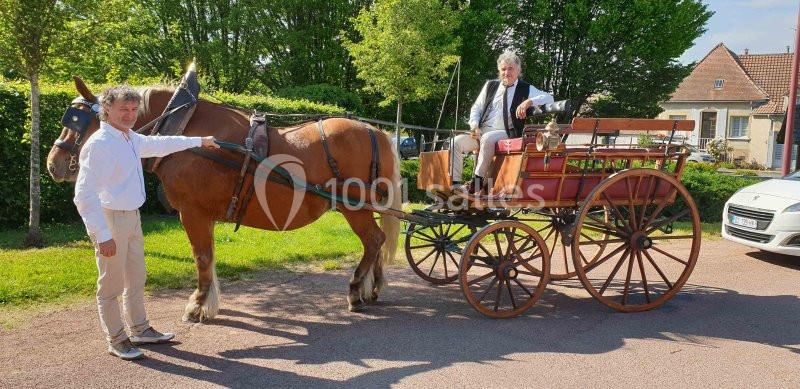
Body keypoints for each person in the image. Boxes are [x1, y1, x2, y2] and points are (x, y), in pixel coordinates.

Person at [73, 85, 220, 360]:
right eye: (123, 110)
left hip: (131, 217)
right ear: (107, 110)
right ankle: (117, 340)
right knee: (110, 287)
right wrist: (102, 235)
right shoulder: (99, 145)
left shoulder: (129, 138)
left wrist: (200, 140)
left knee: (136, 279)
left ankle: (140, 330)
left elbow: (160, 143)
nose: (129, 115)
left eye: (133, 110)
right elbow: (83, 195)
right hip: (111, 219)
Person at [451, 52, 554, 193]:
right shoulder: (490, 85)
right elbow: (477, 107)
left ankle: (477, 182)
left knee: (488, 138)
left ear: (518, 70)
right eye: (503, 69)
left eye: (510, 68)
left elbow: (549, 98)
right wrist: (474, 125)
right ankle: (455, 185)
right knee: (455, 142)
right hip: (482, 131)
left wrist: (529, 101)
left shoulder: (526, 88)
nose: (507, 72)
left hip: (507, 133)